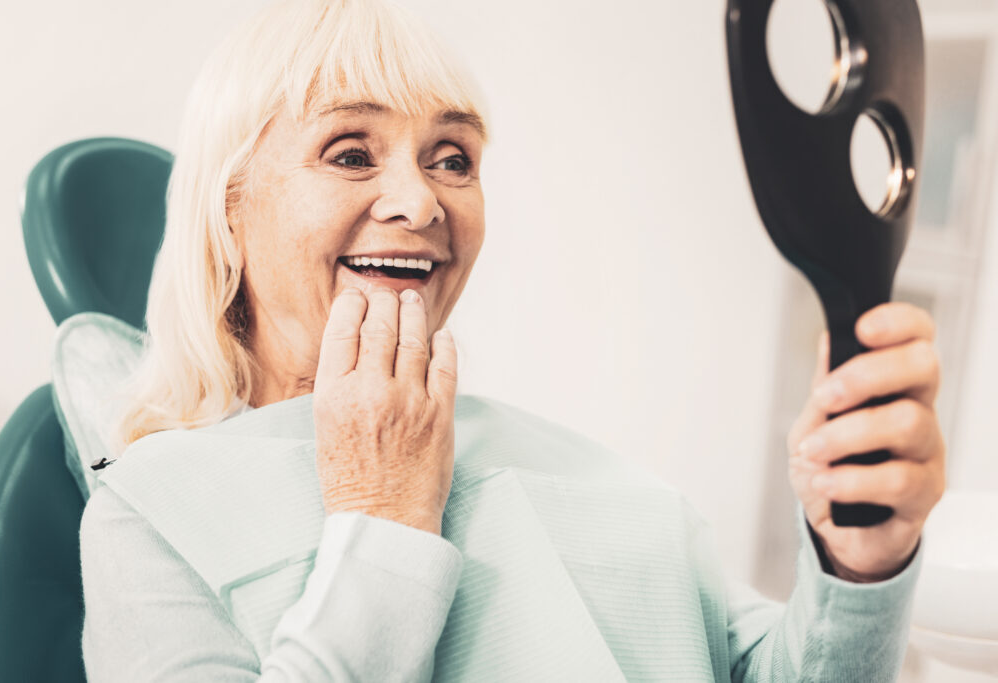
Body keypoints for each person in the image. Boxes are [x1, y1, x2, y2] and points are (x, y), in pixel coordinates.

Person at [78, 0, 946, 680]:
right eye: (350, 152)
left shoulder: (593, 475)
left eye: (452, 157)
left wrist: (858, 566)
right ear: (230, 206)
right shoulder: (153, 513)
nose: (420, 203)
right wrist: (383, 518)